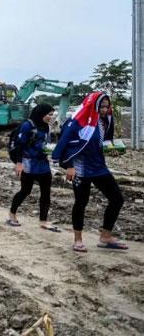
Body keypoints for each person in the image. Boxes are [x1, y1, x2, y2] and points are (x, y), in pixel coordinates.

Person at [52, 92, 127, 252]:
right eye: (102, 106)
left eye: (107, 107)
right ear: (94, 105)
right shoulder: (77, 122)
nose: (105, 110)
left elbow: (103, 143)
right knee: (81, 202)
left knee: (117, 199)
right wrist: (70, 165)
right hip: (81, 168)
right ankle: (77, 240)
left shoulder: (104, 121)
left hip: (98, 167)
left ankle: (105, 236)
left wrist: (111, 149)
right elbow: (66, 143)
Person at [7, 103, 61, 231]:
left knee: (46, 192)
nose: (50, 117)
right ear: (41, 113)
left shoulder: (46, 127)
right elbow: (19, 145)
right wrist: (18, 164)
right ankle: (12, 214)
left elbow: (44, 143)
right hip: (28, 163)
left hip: (43, 163)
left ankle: (43, 221)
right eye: (49, 115)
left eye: (52, 115)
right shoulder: (27, 126)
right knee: (25, 190)